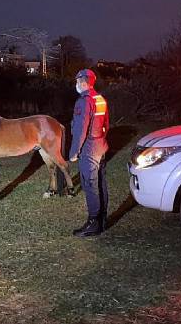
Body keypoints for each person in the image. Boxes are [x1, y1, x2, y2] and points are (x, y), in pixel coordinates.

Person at [69, 69, 110, 237]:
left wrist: (74, 152)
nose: (76, 85)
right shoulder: (100, 99)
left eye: (77, 82)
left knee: (90, 185)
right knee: (100, 183)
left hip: (89, 148)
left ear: (83, 82)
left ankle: (93, 222)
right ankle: (102, 220)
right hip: (101, 145)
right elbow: (106, 125)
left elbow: (80, 130)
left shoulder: (83, 101)